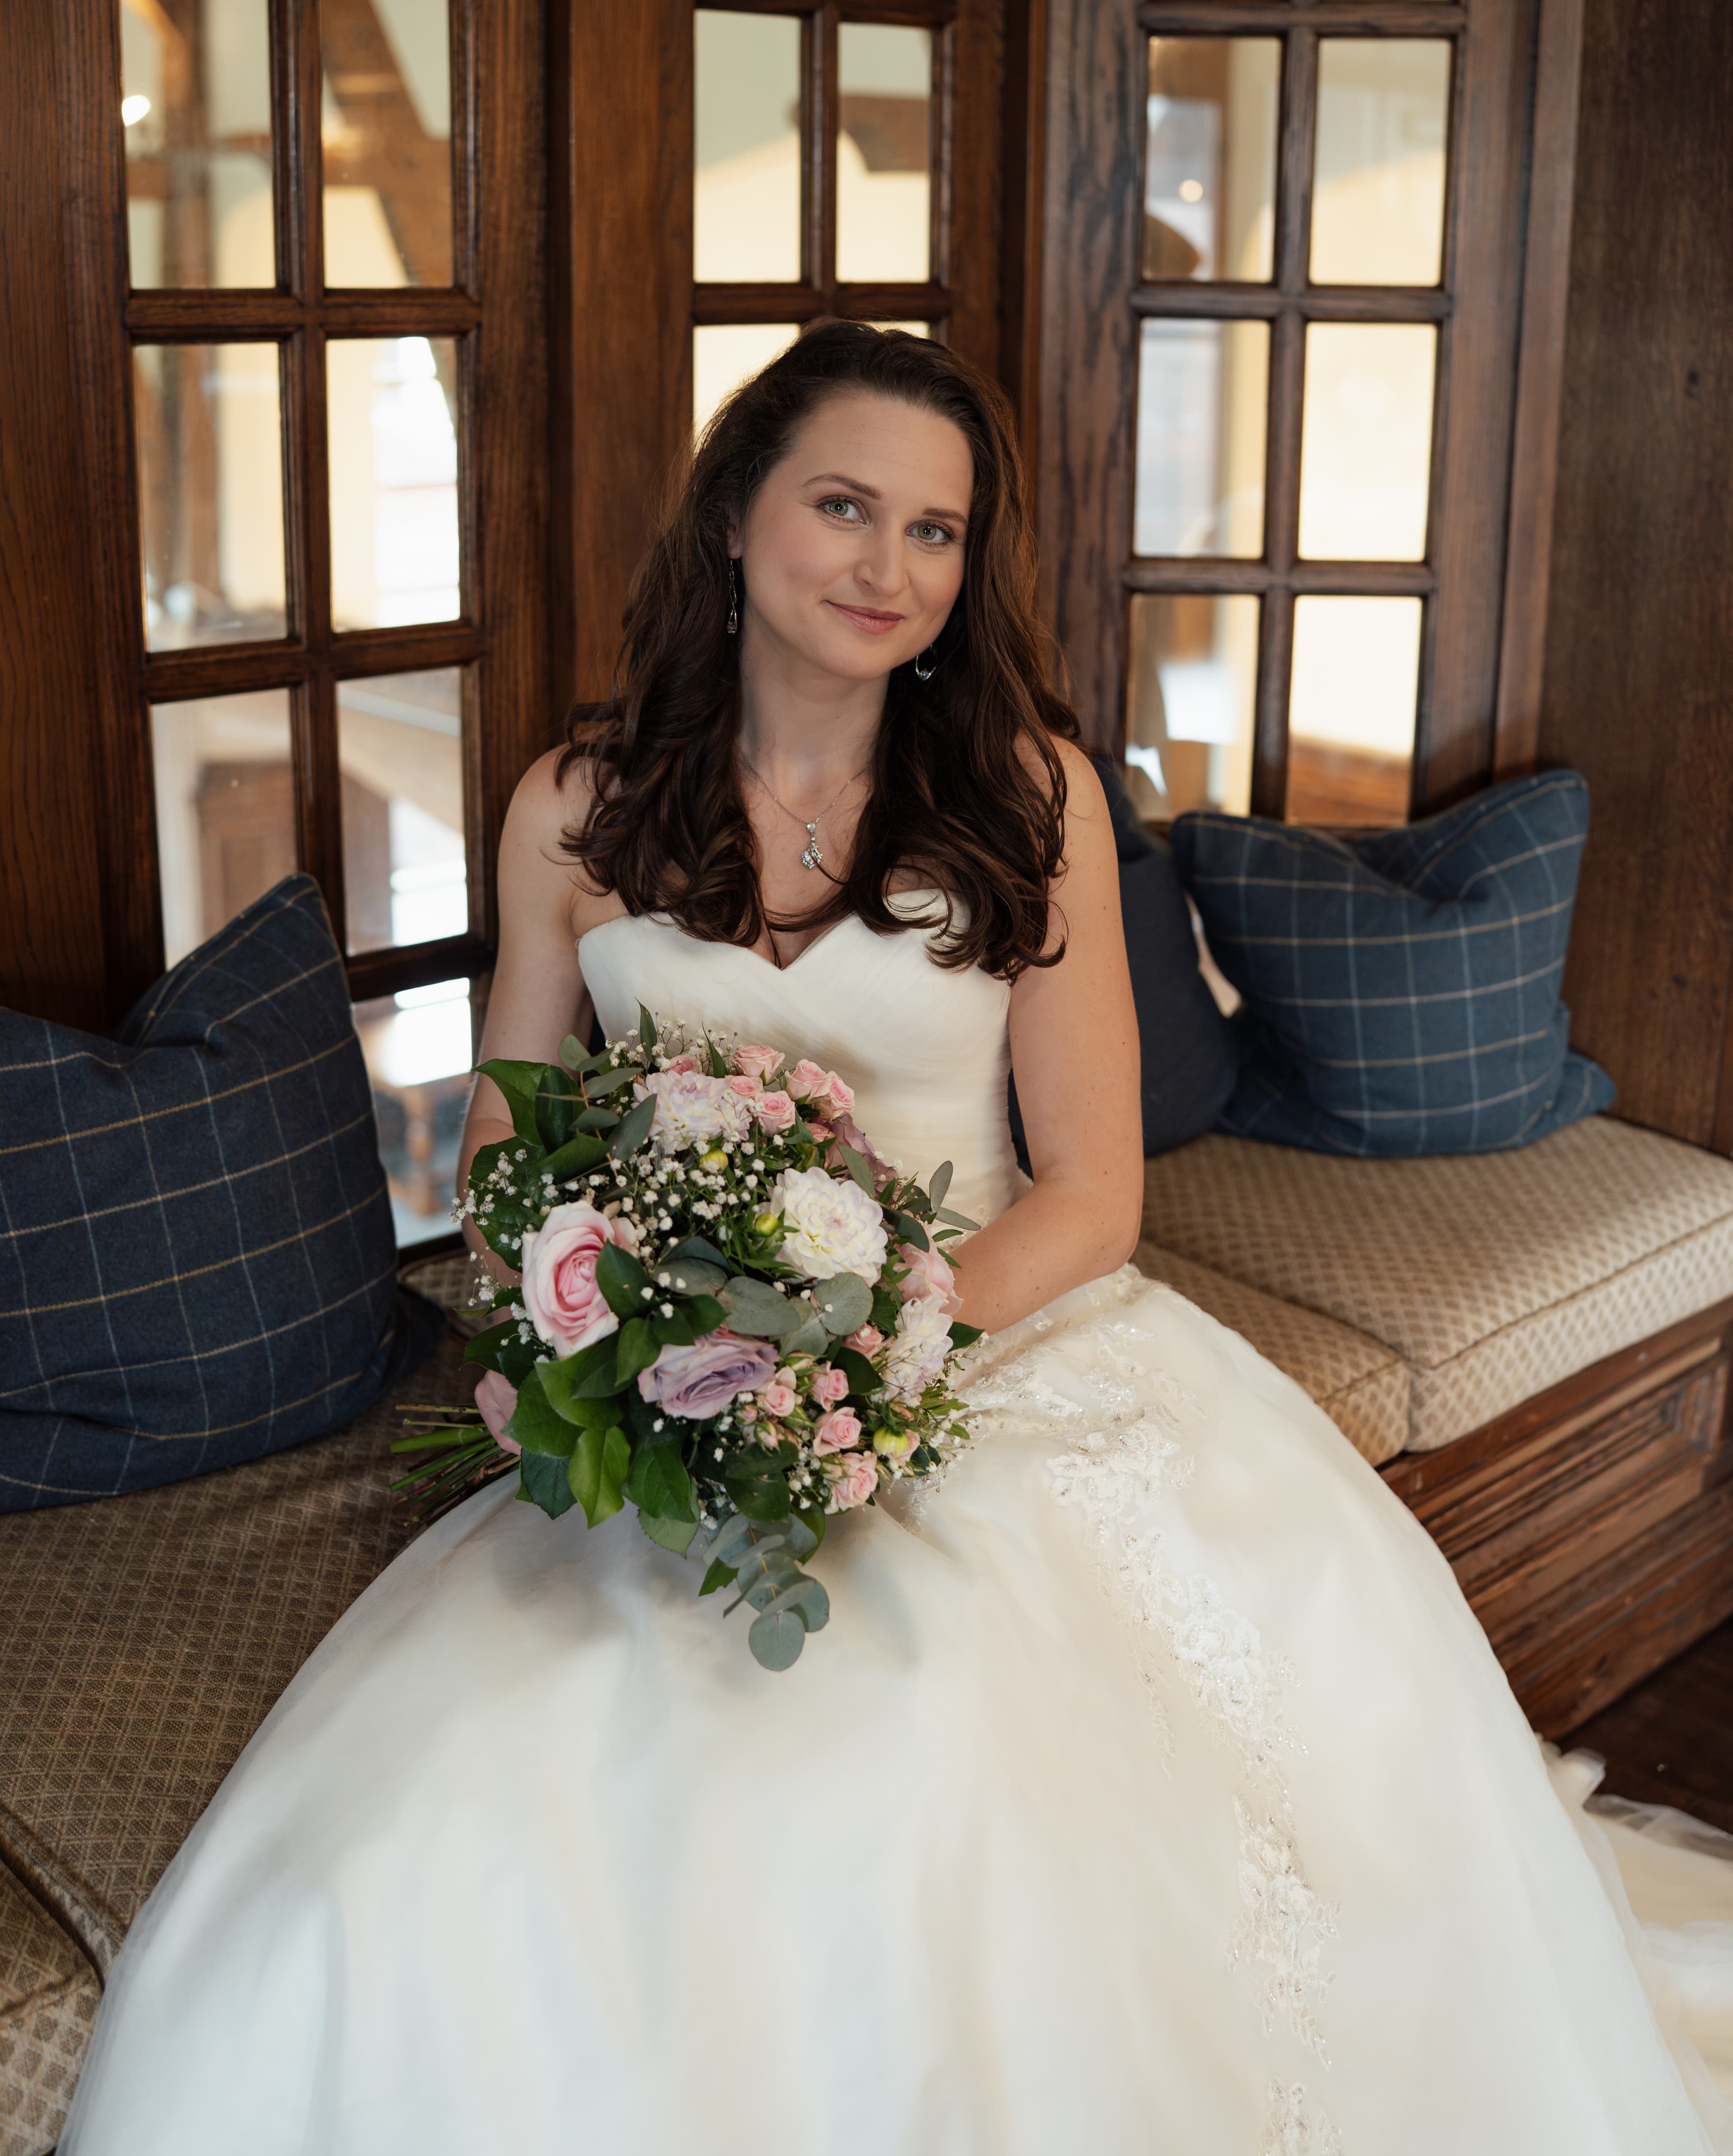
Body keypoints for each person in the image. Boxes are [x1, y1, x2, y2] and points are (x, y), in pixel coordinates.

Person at [64, 323, 1733, 2153]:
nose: (887, 566)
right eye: (844, 506)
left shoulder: (1030, 796)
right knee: (435, 1840)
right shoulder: (575, 807)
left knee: (936, 1773)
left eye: (935, 532)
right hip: (683, 1386)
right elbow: (514, 1140)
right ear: (731, 519)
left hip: (1000, 1348)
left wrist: (861, 1347)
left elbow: (1096, 1195)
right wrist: (584, 1335)